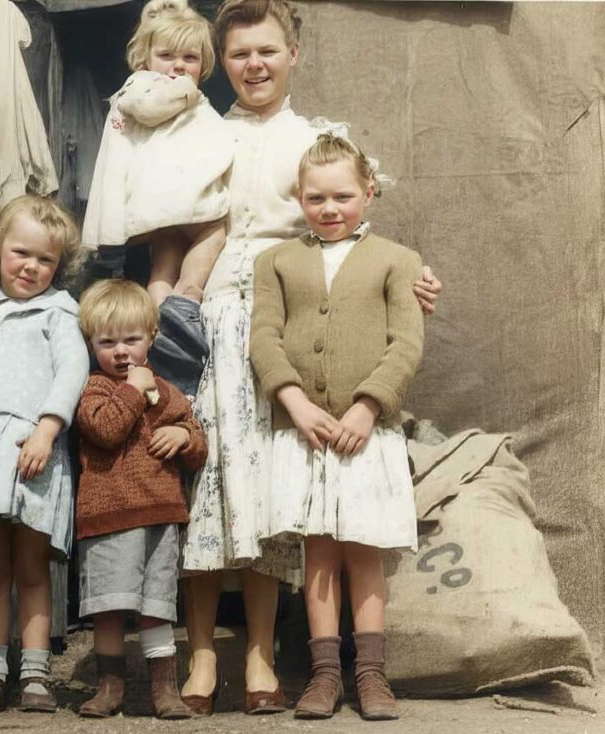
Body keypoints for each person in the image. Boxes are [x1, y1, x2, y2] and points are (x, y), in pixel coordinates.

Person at [179, 0, 442, 716]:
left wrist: (409, 279)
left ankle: (265, 654)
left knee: (277, 491)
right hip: (213, 311)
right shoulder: (198, 131)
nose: (255, 65)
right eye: (239, 54)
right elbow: (169, 228)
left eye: (268, 50)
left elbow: (348, 222)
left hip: (297, 313)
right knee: (208, 483)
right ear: (219, 63)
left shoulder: (317, 139)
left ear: (293, 53)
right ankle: (203, 653)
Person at [250, 133, 422, 720]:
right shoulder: (274, 261)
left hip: (364, 432)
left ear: (368, 193)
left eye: (343, 196)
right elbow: (265, 337)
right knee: (318, 551)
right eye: (316, 197)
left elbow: (406, 343)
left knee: (362, 548)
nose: (330, 208)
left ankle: (371, 675)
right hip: (306, 430)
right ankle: (324, 676)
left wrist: (369, 405)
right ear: (299, 198)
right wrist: (293, 400)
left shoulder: (398, 261)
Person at [0, 194, 90, 713]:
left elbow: (71, 373)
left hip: (34, 450)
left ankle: (35, 674)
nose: (31, 267)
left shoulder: (58, 312)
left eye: (45, 260)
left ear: (58, 266)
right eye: (21, 253)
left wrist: (46, 430)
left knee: (31, 568)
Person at [82, 0, 235, 396]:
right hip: (185, 201)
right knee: (213, 233)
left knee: (162, 266)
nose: (178, 67)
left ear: (205, 63)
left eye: (190, 58)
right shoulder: (150, 89)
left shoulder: (158, 91)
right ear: (144, 57)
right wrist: (185, 91)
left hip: (167, 208)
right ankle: (187, 301)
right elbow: (152, 111)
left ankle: (160, 322)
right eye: (166, 56)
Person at [72, 279, 207, 720]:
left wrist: (183, 435)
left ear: (152, 337)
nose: (121, 351)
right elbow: (106, 430)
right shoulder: (94, 389)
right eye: (107, 342)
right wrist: (133, 389)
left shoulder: (168, 392)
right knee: (109, 604)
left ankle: (163, 689)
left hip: (160, 516)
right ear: (92, 344)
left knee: (157, 605)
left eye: (131, 339)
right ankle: (110, 687)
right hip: (108, 516)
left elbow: (200, 444)